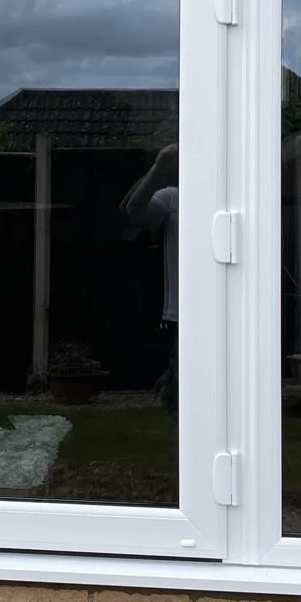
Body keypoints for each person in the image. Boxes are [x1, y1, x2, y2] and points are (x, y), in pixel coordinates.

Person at [119, 143, 178, 415]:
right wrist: (160, 166)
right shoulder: (174, 198)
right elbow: (133, 209)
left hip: (230, 314)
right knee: (181, 397)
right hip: (180, 316)